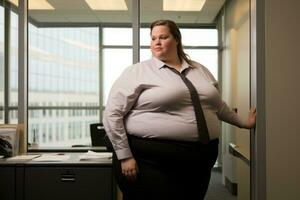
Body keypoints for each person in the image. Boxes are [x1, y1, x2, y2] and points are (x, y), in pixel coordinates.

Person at [103, 19, 256, 200]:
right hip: (151, 159)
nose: (156, 42)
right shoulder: (137, 72)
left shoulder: (200, 70)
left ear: (176, 39)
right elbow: (112, 114)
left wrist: (244, 123)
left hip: (200, 159)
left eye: (163, 37)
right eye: (153, 39)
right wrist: (124, 156)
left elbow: (217, 106)